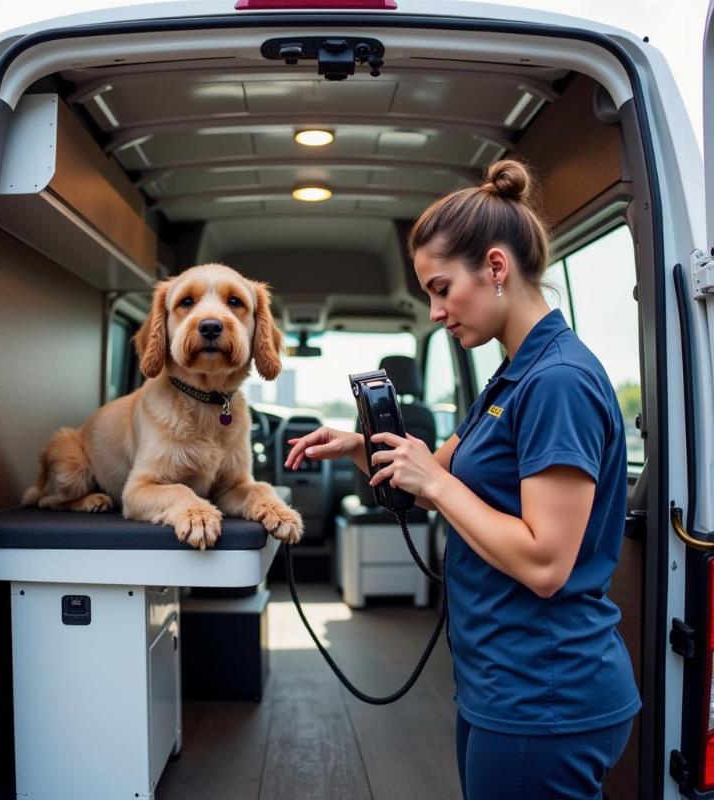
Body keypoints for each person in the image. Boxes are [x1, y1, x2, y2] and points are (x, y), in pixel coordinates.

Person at [284, 159, 641, 800]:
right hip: (498, 680)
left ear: (496, 269)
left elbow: (545, 563)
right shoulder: (508, 376)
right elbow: (433, 472)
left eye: (442, 288)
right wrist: (356, 448)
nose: (436, 312)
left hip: (545, 694)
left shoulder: (557, 382)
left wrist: (439, 485)